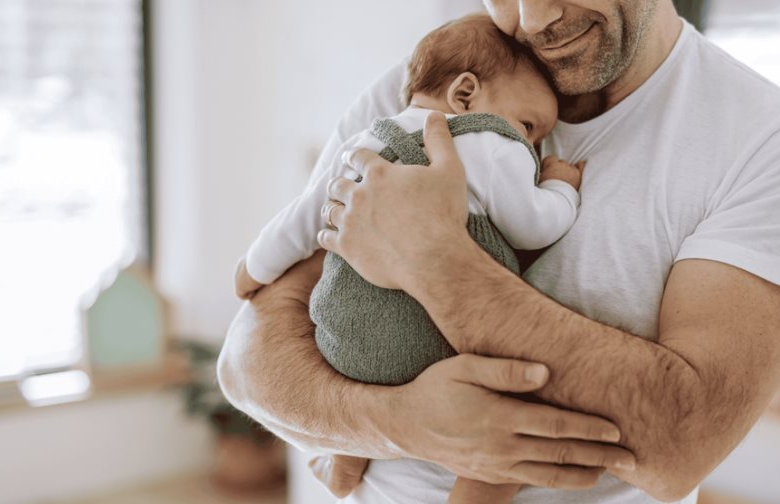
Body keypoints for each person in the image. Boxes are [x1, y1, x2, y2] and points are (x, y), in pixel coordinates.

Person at [218, 1, 780, 502]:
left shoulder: (777, 144)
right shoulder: (437, 80)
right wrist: (394, 420)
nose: (532, 19)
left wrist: (432, 257)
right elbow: (245, 364)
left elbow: (682, 446)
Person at [232, 14, 599, 503]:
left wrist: (252, 269)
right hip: (434, 341)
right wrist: (560, 185)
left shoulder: (365, 141)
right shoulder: (489, 142)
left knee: (364, 380)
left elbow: (302, 221)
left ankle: (347, 455)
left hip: (345, 340)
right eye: (530, 126)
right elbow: (535, 224)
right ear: (465, 94)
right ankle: (475, 491)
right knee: (513, 400)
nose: (532, 145)